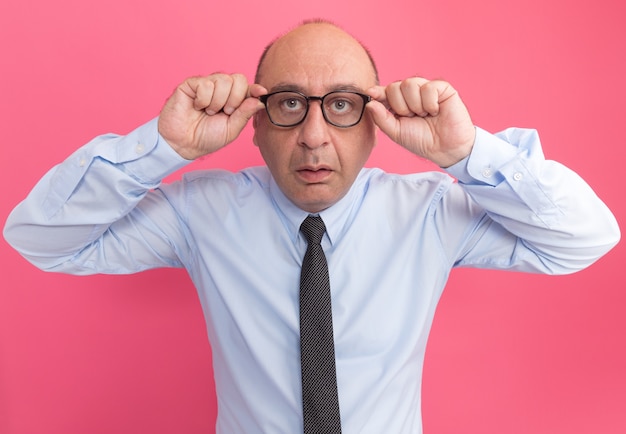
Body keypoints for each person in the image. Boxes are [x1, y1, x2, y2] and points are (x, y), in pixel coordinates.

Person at [3, 19, 620, 434]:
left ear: (377, 120)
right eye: (290, 103)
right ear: (257, 120)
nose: (315, 137)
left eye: (343, 106)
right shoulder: (199, 212)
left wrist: (466, 154)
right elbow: (39, 237)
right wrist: (161, 147)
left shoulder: (431, 211)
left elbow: (586, 238)